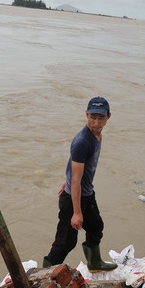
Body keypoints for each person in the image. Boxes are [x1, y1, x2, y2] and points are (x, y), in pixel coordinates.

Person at [43, 97, 117, 271]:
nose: (96, 123)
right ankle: (45, 275)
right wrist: (76, 212)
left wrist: (66, 180)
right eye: (92, 117)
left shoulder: (96, 135)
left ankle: (94, 263)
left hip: (86, 193)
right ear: (86, 114)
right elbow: (76, 179)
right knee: (65, 242)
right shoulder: (83, 141)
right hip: (73, 198)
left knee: (96, 228)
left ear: (108, 117)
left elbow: (75, 167)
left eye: (101, 118)